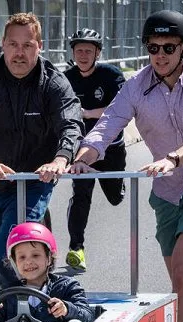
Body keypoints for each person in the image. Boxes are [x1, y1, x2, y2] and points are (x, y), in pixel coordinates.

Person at [69, 10, 183, 322]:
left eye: (168, 47)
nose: (160, 55)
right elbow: (109, 122)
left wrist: (173, 158)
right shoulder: (137, 85)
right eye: (153, 48)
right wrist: (84, 156)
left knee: (182, 276)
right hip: (168, 191)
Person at [0, 12, 83, 289]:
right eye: (13, 45)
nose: (19, 53)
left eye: (27, 45)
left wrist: (61, 158)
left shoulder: (53, 82)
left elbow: (71, 124)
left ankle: (28, 307)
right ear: (3, 44)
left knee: (6, 255)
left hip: (33, 182)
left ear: (40, 46)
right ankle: (6, 313)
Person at [64, 29, 127, 272]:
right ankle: (76, 248)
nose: (82, 55)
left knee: (115, 198)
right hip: (82, 151)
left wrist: (89, 113)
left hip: (111, 148)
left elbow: (121, 110)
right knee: (81, 196)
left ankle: (118, 185)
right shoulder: (67, 78)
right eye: (78, 50)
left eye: (88, 51)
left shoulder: (111, 76)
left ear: (97, 53)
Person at [0, 222, 94, 322]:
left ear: (49, 258)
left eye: (35, 255)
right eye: (22, 257)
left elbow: (88, 315)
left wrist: (66, 309)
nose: (28, 262)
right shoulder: (8, 291)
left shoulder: (67, 287)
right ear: (14, 262)